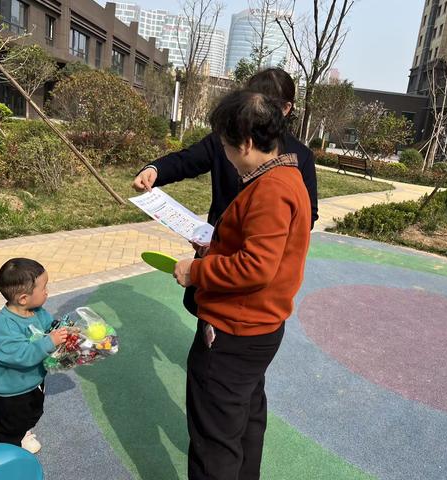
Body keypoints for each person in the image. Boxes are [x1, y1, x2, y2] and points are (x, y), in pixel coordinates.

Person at [173, 90, 311, 480]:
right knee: (246, 421)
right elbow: (262, 249)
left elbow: (255, 267)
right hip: (260, 326)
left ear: (247, 143)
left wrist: (195, 272)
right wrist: (215, 244)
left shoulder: (270, 189)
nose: (225, 155)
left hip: (234, 330)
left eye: (226, 146)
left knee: (214, 440)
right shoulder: (286, 175)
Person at [132, 67, 317, 316]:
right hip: (215, 253)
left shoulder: (289, 169)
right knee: (206, 315)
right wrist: (155, 170)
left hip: (250, 284)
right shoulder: (229, 137)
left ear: (285, 109)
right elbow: (188, 159)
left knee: (222, 330)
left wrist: (262, 236)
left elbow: (305, 218)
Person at [0, 258, 67, 453]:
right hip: (11, 391)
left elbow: (48, 325)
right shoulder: (6, 327)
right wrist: (49, 342)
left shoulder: (36, 311)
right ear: (23, 298)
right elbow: (22, 355)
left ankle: (23, 432)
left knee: (32, 413)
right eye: (44, 288)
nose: (47, 291)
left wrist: (59, 330)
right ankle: (9, 451)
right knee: (10, 425)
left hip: (32, 381)